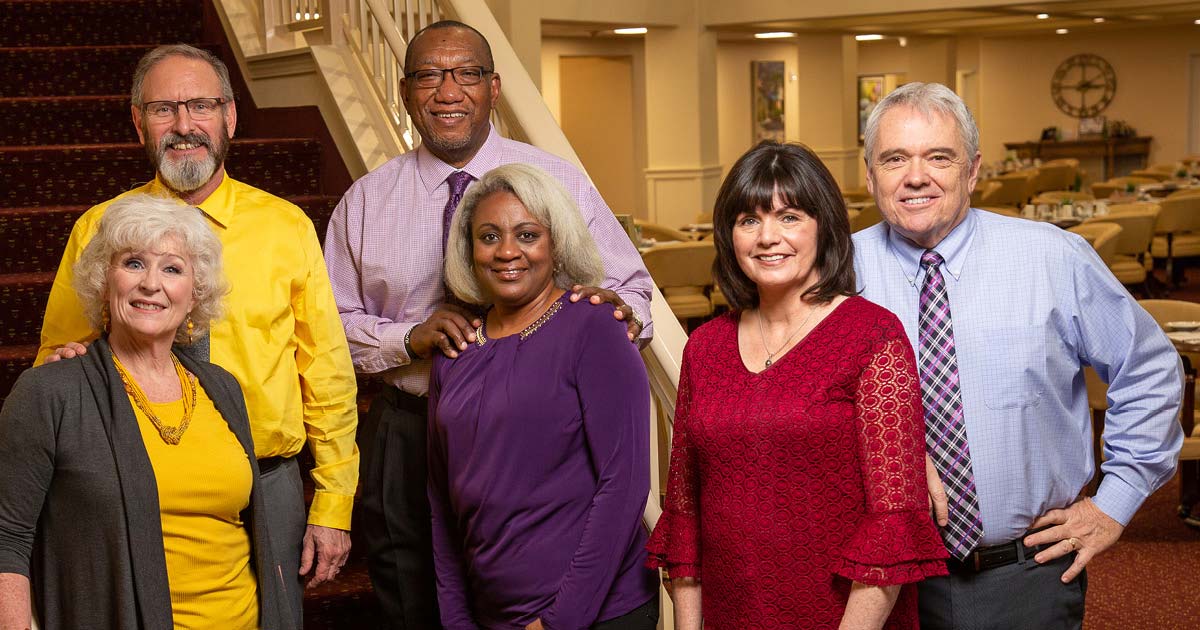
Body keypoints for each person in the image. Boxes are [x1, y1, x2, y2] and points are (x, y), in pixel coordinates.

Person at [323, 20, 654, 626]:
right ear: (405, 91)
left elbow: (631, 289)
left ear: (494, 87)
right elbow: (328, 330)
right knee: (418, 597)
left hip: (540, 431)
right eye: (428, 75)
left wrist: (595, 329)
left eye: (466, 73)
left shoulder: (558, 179)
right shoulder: (367, 201)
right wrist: (407, 338)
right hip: (411, 424)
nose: (448, 91)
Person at [34, 44, 359, 621]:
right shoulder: (100, 230)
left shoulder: (286, 227)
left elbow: (326, 373)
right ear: (139, 122)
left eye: (201, 106)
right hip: (141, 485)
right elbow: (55, 363)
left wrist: (332, 502)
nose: (185, 126)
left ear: (230, 117)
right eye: (164, 109)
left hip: (266, 477)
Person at [854, 82, 1184, 629]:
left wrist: (1115, 502)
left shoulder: (1052, 258)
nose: (916, 177)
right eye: (895, 159)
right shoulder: (836, 273)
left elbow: (1148, 369)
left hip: (1024, 576)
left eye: (939, 157)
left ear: (973, 170)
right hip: (881, 579)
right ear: (870, 175)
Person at [647, 141, 948, 629]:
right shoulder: (704, 348)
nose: (767, 237)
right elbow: (685, 516)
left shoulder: (873, 335)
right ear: (729, 235)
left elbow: (894, 518)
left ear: (823, 227)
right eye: (748, 220)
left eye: (789, 217)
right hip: (732, 614)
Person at [0, 195, 295, 630]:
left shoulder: (222, 388)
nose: (151, 284)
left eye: (172, 268)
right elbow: (8, 537)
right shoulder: (52, 391)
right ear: (105, 280)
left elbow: (250, 533)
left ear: (194, 295)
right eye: (133, 263)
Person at [426, 163, 659, 629]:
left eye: (528, 235)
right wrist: (457, 621)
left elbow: (625, 486)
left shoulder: (594, 327)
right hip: (493, 616)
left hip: (595, 614)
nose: (507, 251)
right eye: (489, 236)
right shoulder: (454, 352)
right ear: (469, 251)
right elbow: (440, 502)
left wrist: (558, 622)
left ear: (556, 244)